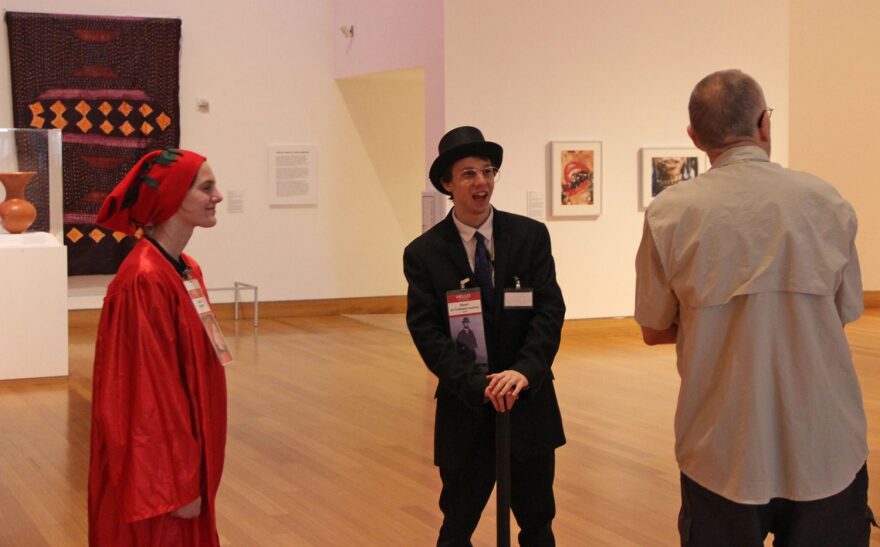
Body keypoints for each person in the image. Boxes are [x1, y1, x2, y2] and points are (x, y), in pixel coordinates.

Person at [634, 69, 872, 546]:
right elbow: (847, 310)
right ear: (765, 124)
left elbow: (653, 328)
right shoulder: (826, 202)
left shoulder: (670, 213)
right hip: (825, 444)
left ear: (695, 137)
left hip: (721, 447)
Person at [404, 126, 566, 546]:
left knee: (537, 523)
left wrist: (524, 373)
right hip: (466, 409)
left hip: (528, 403)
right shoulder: (424, 253)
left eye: (488, 172)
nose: (482, 183)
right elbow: (427, 332)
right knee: (457, 526)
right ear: (447, 183)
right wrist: (479, 386)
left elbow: (549, 311)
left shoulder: (530, 237)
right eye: (469, 174)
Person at [88, 148, 228, 546]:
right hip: (159, 482)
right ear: (172, 198)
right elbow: (146, 395)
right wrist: (175, 484)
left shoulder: (185, 267)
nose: (218, 196)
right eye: (206, 187)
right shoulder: (144, 279)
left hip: (190, 455)